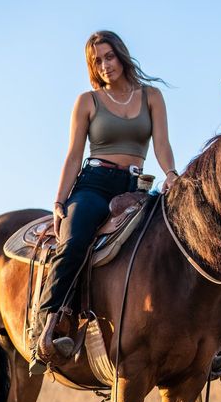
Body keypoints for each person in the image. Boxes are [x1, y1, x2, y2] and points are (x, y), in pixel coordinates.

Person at [29, 30, 178, 372]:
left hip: (135, 187)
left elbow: (162, 146)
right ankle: (47, 330)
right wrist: (59, 201)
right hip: (93, 185)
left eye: (109, 57)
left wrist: (171, 173)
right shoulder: (87, 101)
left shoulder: (151, 96)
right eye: (97, 60)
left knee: (176, 237)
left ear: (122, 56)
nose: (105, 65)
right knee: (75, 239)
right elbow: (72, 156)